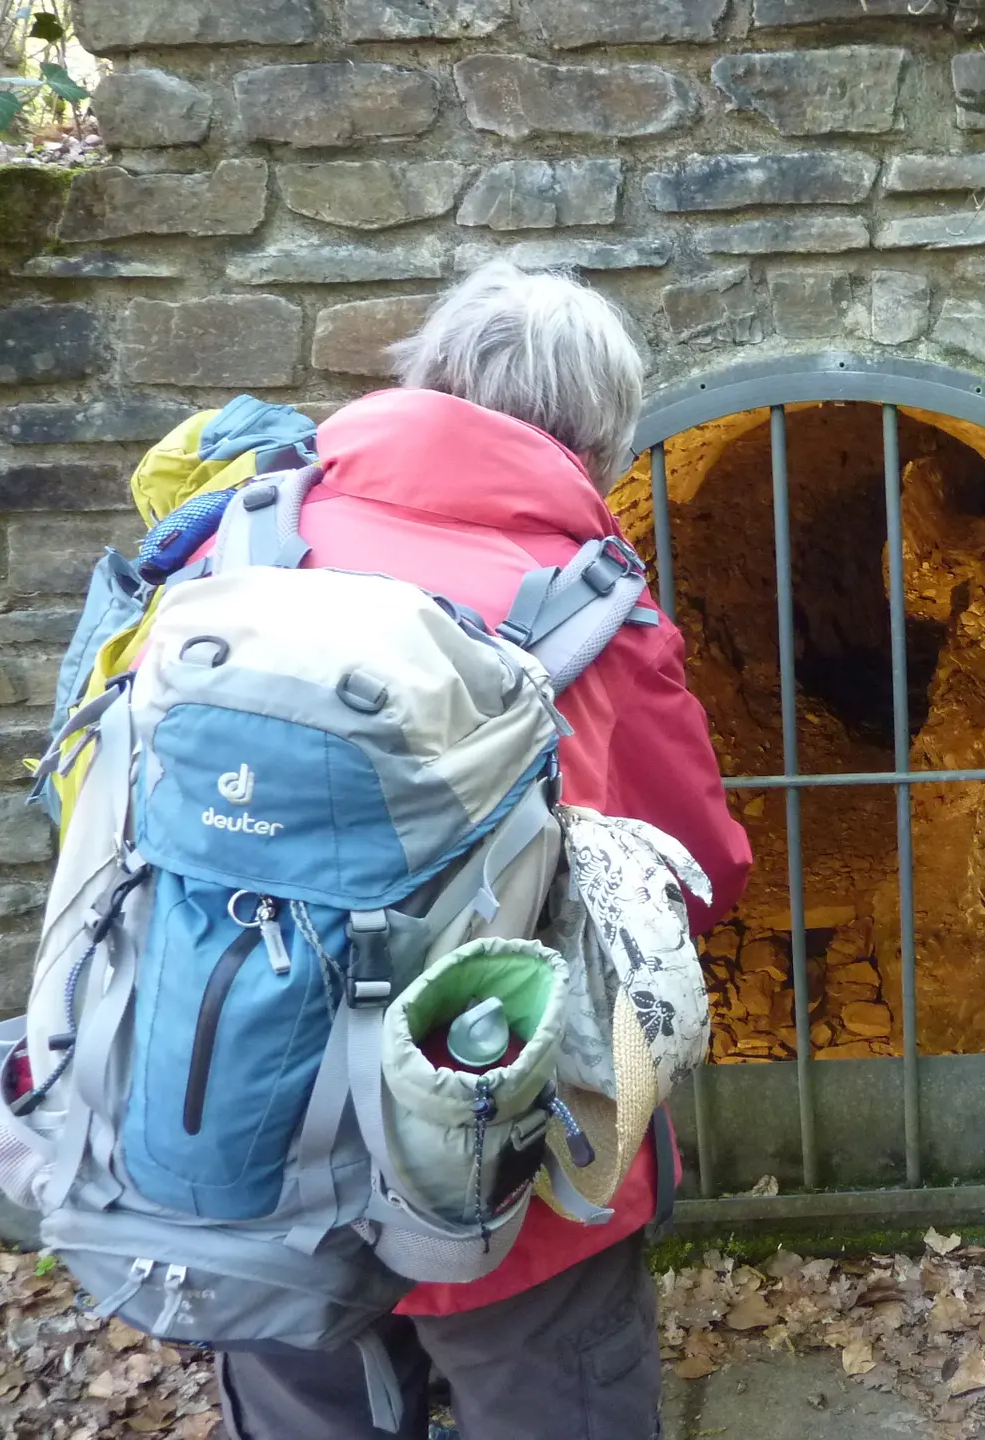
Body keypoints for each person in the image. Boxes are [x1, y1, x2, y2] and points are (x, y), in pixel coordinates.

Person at [215, 262, 752, 1440]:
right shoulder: (587, 608)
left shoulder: (245, 543)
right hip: (500, 1142)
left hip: (243, 1128)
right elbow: (696, 863)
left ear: (431, 377)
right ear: (597, 432)